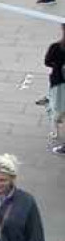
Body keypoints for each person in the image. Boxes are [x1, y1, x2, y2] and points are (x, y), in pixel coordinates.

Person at [43, 25, 65, 155]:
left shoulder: (56, 47)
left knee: (59, 112)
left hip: (59, 84)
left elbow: (47, 62)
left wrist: (57, 66)